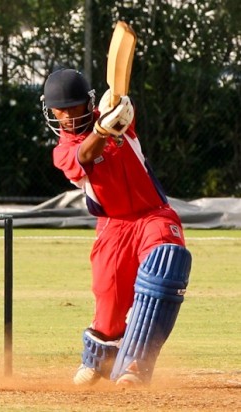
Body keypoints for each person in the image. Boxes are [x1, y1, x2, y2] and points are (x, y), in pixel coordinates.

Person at [41, 68, 192, 386]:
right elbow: (86, 153)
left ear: (88, 103)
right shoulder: (63, 151)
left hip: (154, 215)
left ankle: (136, 363)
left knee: (166, 264)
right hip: (113, 226)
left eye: (73, 107)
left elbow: (125, 108)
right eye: (60, 111)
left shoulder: (116, 119)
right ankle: (99, 358)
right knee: (108, 300)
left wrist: (118, 104)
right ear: (51, 111)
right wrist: (102, 130)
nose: (67, 117)